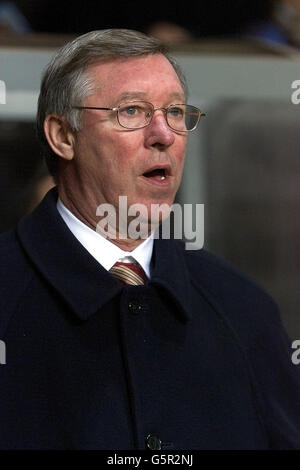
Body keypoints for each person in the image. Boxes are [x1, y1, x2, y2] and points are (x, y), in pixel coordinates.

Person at [0, 29, 299, 450]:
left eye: (176, 112)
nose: (164, 134)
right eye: (132, 111)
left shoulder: (245, 310)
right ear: (63, 136)